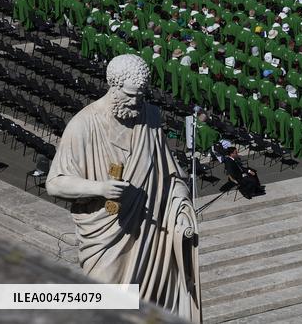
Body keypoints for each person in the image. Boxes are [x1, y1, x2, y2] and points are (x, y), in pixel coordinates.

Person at [45, 55, 201, 322]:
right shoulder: (83, 125)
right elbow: (55, 182)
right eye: (130, 95)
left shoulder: (149, 117)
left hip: (149, 232)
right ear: (113, 85)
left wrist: (181, 210)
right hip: (106, 236)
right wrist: (99, 188)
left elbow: (170, 175)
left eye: (141, 95)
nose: (135, 102)